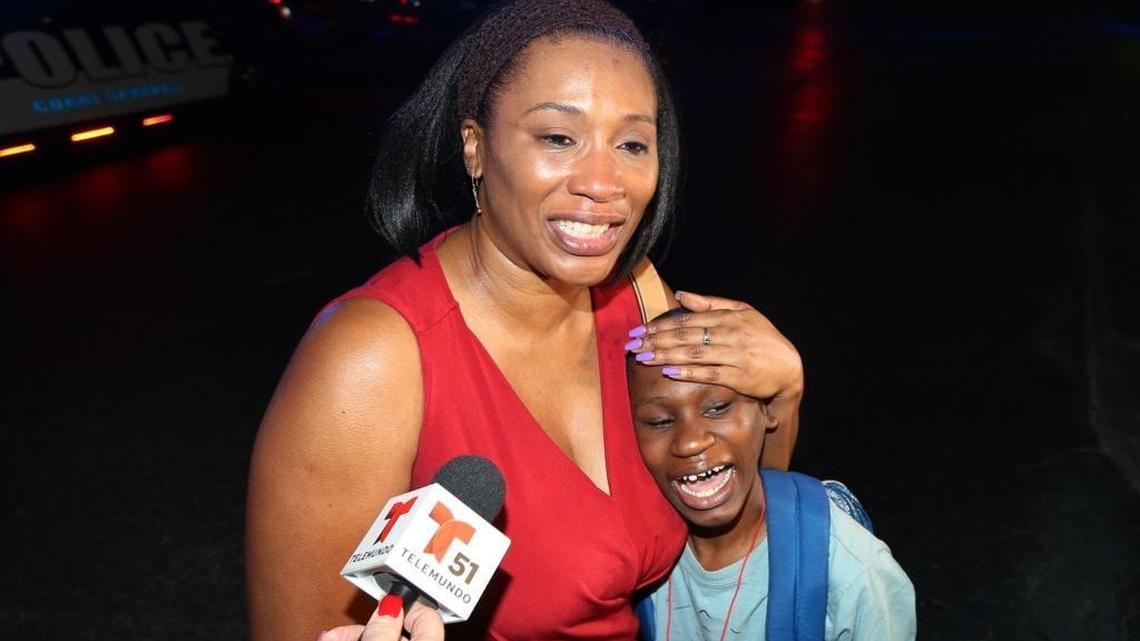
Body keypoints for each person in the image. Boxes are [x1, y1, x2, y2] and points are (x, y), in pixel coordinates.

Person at [245, 1, 805, 640]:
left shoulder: (640, 294)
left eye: (631, 143)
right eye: (559, 138)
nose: (603, 182)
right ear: (475, 148)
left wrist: (782, 391)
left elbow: (740, 526)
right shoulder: (369, 361)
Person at [628, 310, 916, 641]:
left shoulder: (853, 573)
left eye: (718, 407)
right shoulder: (635, 552)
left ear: (768, 411)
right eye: (659, 421)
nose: (691, 441)